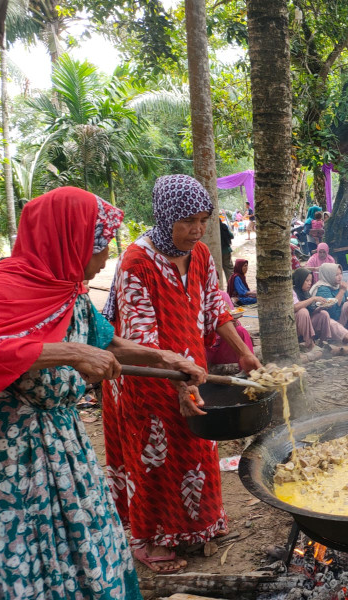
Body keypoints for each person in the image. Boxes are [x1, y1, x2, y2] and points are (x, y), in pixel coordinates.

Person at [0, 188, 205, 594]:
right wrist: (70, 352)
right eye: (100, 246)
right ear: (68, 242)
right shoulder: (6, 290)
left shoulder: (69, 290)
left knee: (86, 543)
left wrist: (164, 358)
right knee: (32, 554)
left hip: (66, 448)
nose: (107, 257)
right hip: (15, 458)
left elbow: (105, 341)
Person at [102, 175, 262, 573]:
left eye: (203, 220)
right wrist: (178, 381)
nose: (197, 230)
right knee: (156, 456)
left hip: (191, 368)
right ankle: (152, 540)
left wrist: (244, 353)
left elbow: (216, 309)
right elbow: (139, 335)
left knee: (195, 446)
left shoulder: (201, 254)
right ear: (165, 216)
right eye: (187, 221)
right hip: (146, 375)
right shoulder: (137, 262)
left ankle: (194, 528)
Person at [292, 267, 348, 347]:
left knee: (323, 313)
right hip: (296, 325)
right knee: (303, 311)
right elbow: (294, 307)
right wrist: (312, 299)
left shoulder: (305, 292)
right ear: (299, 280)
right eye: (307, 281)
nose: (309, 283)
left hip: (314, 321)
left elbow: (311, 311)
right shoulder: (293, 291)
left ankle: (323, 342)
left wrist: (321, 308)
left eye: (310, 280)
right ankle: (309, 342)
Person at [206, 291, 255, 367]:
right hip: (202, 348)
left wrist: (233, 321)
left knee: (241, 331)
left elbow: (232, 322)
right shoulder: (192, 297)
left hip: (222, 347)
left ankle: (249, 366)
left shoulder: (222, 295)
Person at [311, 263, 348, 334]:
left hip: (340, 317)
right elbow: (331, 309)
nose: (340, 277)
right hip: (330, 321)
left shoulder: (337, 285)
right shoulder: (322, 288)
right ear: (328, 275)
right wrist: (342, 291)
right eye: (336, 275)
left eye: (340, 274)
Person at [219, 218, 234, 284]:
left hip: (217, 252)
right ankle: (231, 285)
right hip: (226, 250)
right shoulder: (223, 226)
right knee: (229, 269)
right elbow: (231, 236)